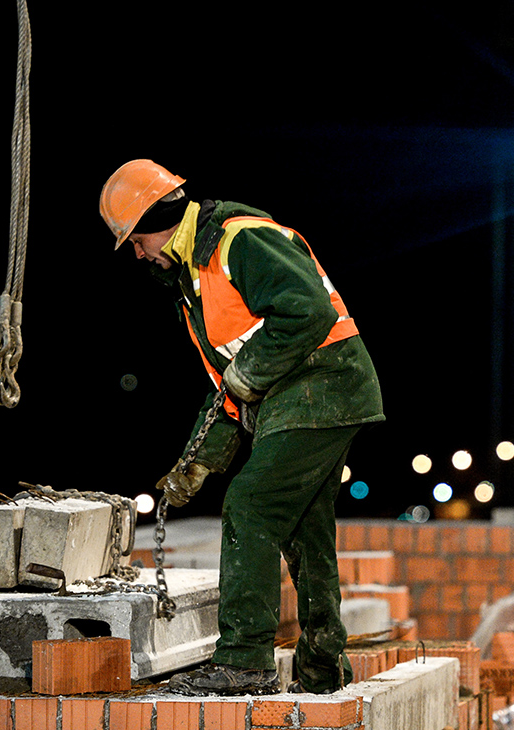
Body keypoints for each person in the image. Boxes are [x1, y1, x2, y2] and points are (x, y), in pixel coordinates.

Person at [99, 160, 384, 696]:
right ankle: (323, 667)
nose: (137, 254)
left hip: (323, 387)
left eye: (136, 241)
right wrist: (197, 461)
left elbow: (306, 314)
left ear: (156, 218)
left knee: (250, 505)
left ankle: (245, 661)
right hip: (302, 398)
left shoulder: (238, 239)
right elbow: (227, 384)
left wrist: (249, 375)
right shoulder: (196, 280)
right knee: (306, 532)